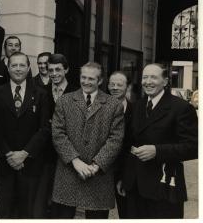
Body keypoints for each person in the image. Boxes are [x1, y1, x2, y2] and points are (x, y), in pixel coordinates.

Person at [121, 63, 198, 219]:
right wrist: (123, 178)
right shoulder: (137, 106)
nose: (148, 81)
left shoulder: (181, 108)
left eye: (154, 77)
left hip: (164, 187)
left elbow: (193, 147)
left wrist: (157, 151)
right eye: (145, 77)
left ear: (165, 81)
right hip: (134, 187)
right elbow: (127, 144)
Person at [51, 62, 124, 219]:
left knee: (97, 217)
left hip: (98, 175)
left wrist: (96, 165)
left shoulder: (114, 105)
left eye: (91, 78)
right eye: (83, 77)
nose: (86, 81)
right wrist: (75, 161)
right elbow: (58, 134)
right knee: (62, 216)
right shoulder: (64, 101)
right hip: (68, 172)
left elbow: (115, 139)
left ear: (100, 81)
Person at [0, 52, 50, 218]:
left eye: (22, 65)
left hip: (30, 165)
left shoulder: (41, 94)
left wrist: (24, 154)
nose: (18, 69)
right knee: (3, 212)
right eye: (14, 65)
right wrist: (9, 155)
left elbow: (45, 128)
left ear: (29, 68)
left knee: (28, 213)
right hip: (4, 164)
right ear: (8, 68)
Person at [34, 53, 74, 218]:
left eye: (58, 69)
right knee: (43, 196)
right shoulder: (41, 92)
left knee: (65, 201)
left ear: (66, 70)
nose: (54, 73)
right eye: (51, 70)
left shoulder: (76, 92)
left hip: (68, 152)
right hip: (46, 153)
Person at [107, 71, 132, 219]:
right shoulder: (97, 107)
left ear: (127, 87)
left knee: (127, 214)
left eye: (119, 84)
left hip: (124, 172)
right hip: (101, 173)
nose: (115, 87)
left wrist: (125, 176)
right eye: (112, 84)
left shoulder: (137, 111)